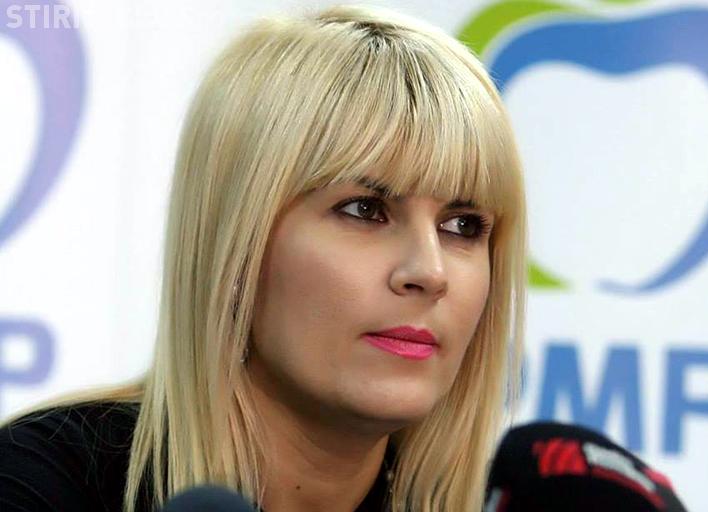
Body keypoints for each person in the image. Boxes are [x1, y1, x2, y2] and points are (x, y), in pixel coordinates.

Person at [0, 5, 528, 511]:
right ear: (235, 238)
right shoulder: (35, 484)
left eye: (463, 225)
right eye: (365, 210)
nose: (431, 272)